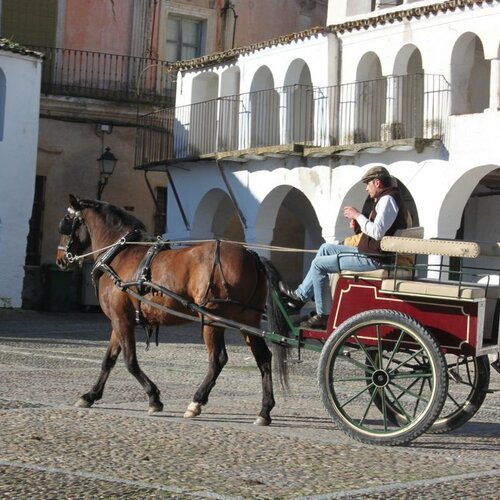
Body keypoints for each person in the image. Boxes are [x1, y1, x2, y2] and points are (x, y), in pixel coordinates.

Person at [279, 165, 409, 329]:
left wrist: (357, 215)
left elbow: (377, 233)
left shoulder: (388, 200)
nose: (366, 189)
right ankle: (300, 297)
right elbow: (377, 231)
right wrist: (358, 226)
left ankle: (323, 314)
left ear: (377, 183)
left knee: (319, 265)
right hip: (371, 253)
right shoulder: (387, 199)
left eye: (367, 185)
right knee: (326, 248)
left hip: (375, 259)